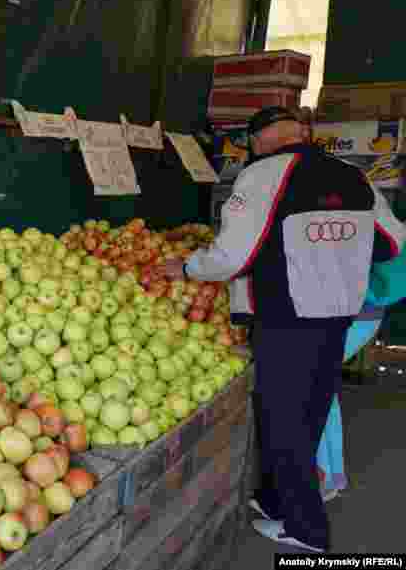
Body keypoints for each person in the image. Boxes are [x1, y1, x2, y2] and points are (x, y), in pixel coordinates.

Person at [162, 106, 406, 552]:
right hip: (338, 312)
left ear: (258, 140)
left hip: (288, 315)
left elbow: (234, 254)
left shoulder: (261, 175)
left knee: (283, 420)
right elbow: (392, 241)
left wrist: (189, 267)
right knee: (309, 410)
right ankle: (275, 502)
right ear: (303, 133)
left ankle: (307, 528)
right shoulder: (353, 175)